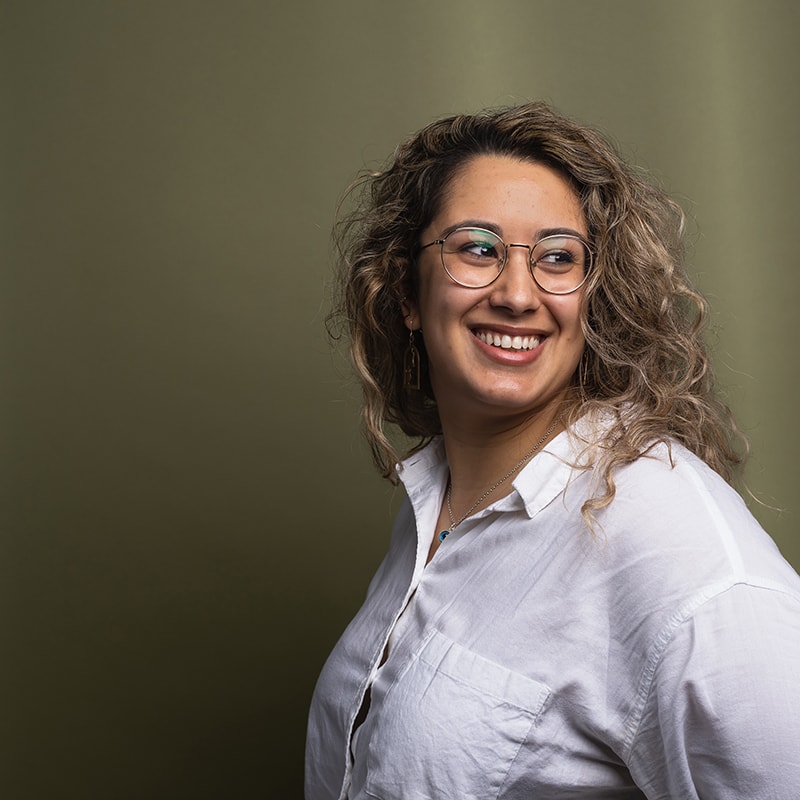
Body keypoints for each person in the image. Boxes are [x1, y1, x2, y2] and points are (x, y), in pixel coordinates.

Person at [305, 102, 800, 799]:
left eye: (557, 257)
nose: (516, 293)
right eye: (476, 247)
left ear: (592, 297)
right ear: (406, 290)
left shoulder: (685, 555)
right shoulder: (434, 503)